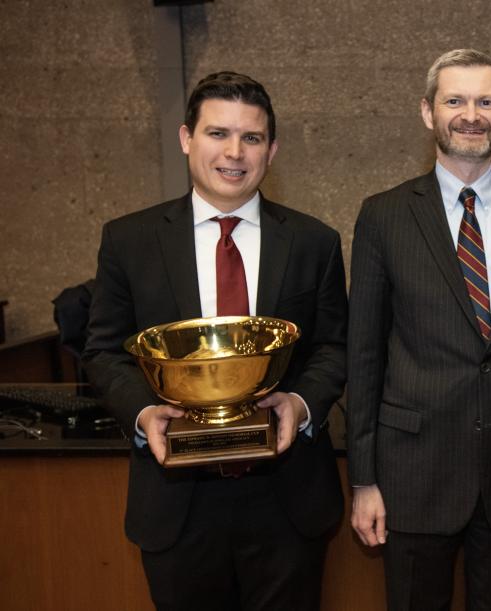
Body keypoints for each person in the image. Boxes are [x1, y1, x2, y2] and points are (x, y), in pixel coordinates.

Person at [83, 71, 347, 610]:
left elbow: (335, 347)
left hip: (286, 499)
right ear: (186, 138)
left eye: (251, 138)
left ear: (271, 150)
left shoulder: (314, 241)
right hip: (177, 500)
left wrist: (300, 403)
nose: (234, 152)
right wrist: (143, 414)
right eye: (216, 133)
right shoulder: (129, 240)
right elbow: (103, 351)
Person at [347, 48, 491, 611]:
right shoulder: (383, 215)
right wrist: (363, 480)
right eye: (455, 100)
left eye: (485, 101)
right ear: (428, 112)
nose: (470, 114)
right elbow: (363, 355)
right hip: (411, 475)